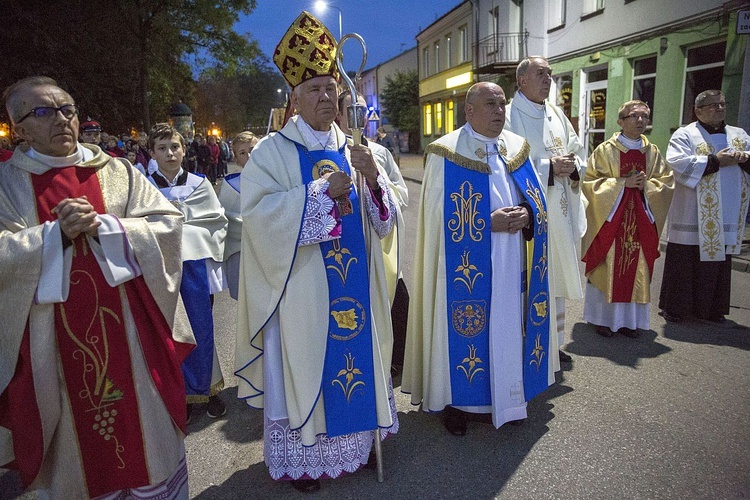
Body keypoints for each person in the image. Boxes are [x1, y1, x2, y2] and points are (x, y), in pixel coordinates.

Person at [0, 76, 195, 498]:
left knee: (146, 443)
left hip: (132, 343)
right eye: (44, 112)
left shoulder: (117, 171)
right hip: (51, 351)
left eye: (67, 108)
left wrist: (109, 229)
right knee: (76, 455)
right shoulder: (8, 185)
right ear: (18, 128)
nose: (62, 119)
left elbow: (167, 225)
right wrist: (54, 238)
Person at [235, 11, 399, 492]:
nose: (326, 97)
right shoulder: (271, 153)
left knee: (361, 360)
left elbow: (386, 222)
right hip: (302, 286)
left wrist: (372, 180)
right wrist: (318, 194)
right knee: (306, 364)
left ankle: (363, 442)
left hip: (356, 284)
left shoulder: (358, 147)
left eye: (331, 89)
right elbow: (258, 220)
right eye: (314, 89)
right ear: (293, 98)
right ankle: (306, 458)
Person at [402, 81, 552, 436]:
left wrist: (529, 216)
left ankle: (509, 398)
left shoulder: (516, 147)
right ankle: (457, 403)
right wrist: (487, 223)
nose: (499, 111)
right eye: (490, 104)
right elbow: (436, 220)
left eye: (502, 104)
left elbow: (536, 199)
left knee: (507, 325)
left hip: (510, 257)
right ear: (469, 111)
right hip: (465, 267)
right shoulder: (446, 151)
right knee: (463, 327)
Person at [505, 56, 586, 365]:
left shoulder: (556, 114)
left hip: (560, 211)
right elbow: (506, 163)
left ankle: (554, 343)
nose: (548, 79)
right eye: (541, 73)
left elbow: (578, 152)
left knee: (555, 278)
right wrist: (549, 167)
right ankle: (531, 343)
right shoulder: (510, 115)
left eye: (550, 74)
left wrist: (573, 166)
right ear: (522, 80)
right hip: (533, 214)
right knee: (533, 277)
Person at [147, 124, 228, 423]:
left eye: (175, 147)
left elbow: (216, 221)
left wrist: (183, 227)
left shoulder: (199, 183)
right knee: (169, 331)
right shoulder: (143, 186)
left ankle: (207, 388)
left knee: (201, 328)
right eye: (162, 148)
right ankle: (178, 391)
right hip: (159, 267)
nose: (170, 153)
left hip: (193, 266)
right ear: (152, 153)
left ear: (184, 150)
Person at [581, 100, 674, 337]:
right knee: (608, 265)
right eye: (634, 116)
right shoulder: (605, 150)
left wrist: (647, 187)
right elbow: (590, 184)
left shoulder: (652, 152)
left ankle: (629, 323)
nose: (640, 120)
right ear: (620, 121)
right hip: (612, 223)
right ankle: (602, 319)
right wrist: (622, 184)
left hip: (641, 222)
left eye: (645, 116)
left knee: (638, 267)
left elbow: (666, 183)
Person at [659, 90, 750, 323]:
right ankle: (676, 308)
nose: (719, 108)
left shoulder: (738, 134)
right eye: (712, 105)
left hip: (728, 208)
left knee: (718, 261)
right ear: (697, 111)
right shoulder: (685, 134)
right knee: (684, 259)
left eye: (722, 104)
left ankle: (711, 308)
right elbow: (676, 163)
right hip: (691, 211)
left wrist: (744, 158)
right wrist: (715, 161)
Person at [337, 90, 410, 374]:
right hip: (349, 243)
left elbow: (401, 192)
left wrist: (376, 184)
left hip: (382, 242)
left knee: (396, 301)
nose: (361, 117)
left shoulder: (380, 153)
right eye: (353, 110)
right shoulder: (331, 152)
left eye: (364, 111)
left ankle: (394, 360)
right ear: (339, 115)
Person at [218, 130, 258, 300]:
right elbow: (228, 221)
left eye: (253, 150)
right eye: (243, 153)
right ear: (236, 159)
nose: (249, 156)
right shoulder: (231, 186)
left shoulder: (279, 179)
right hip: (240, 252)